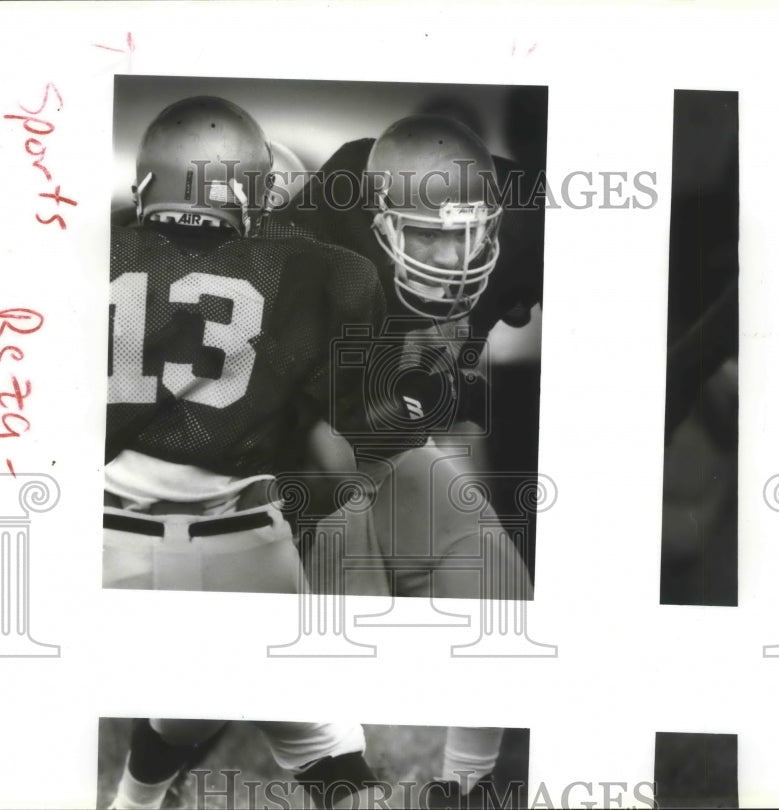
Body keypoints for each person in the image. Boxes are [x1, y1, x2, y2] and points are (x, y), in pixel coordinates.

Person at [103, 95, 388, 810]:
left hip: (100, 547)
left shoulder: (87, 254)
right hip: (239, 548)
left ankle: (135, 799)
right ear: (252, 192)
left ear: (148, 185)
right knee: (325, 741)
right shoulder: (323, 272)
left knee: (208, 700)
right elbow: (345, 456)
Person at [283, 115, 541, 809]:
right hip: (302, 444)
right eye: (429, 234)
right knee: (314, 626)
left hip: (399, 435)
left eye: (470, 235)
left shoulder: (528, 220)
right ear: (377, 223)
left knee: (496, 580)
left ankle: (464, 788)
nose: (455, 258)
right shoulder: (314, 234)